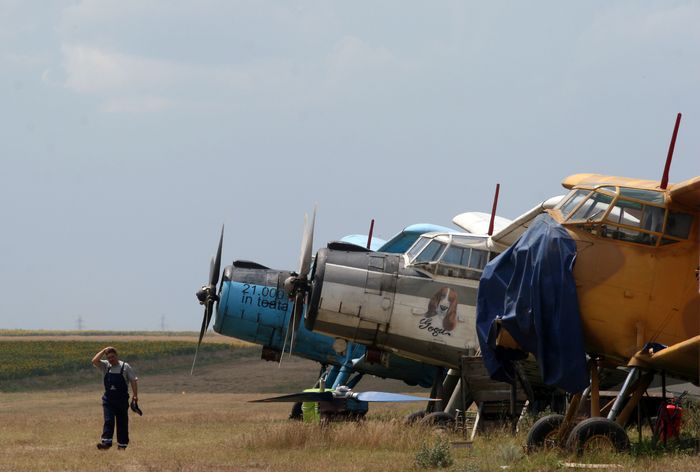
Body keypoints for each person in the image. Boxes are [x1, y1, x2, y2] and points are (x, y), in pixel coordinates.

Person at [91, 346, 138, 450]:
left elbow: (133, 381)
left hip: (121, 400)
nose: (111, 359)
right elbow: (94, 360)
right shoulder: (105, 366)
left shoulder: (125, 367)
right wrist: (104, 350)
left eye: (112, 357)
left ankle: (122, 445)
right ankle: (106, 444)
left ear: (117, 356)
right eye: (109, 358)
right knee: (109, 421)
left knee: (122, 423)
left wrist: (135, 396)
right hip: (108, 399)